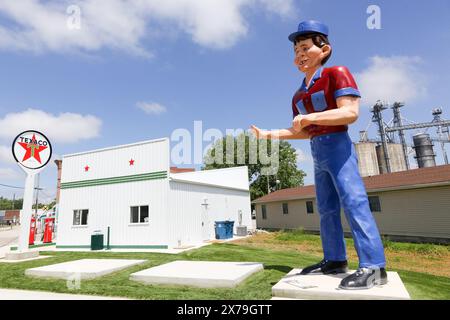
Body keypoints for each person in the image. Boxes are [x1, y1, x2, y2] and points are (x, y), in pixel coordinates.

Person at [250, 20, 387, 290]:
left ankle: (374, 266)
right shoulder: (299, 94)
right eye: (295, 51)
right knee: (326, 209)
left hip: (338, 146)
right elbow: (301, 130)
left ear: (324, 49)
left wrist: (310, 117)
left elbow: (350, 112)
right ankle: (335, 259)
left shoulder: (337, 73)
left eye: (304, 47)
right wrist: (268, 134)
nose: (299, 55)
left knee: (354, 202)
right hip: (317, 150)